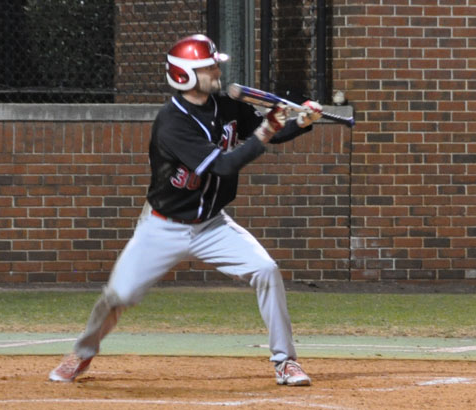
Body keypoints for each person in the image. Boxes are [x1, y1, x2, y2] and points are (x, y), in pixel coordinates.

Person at [48, 34, 322, 386]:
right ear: (185, 75)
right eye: (208, 66)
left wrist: (300, 122)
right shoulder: (172, 122)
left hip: (212, 225)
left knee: (266, 269)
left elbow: (269, 131)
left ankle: (285, 362)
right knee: (120, 295)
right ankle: (82, 353)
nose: (215, 69)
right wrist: (269, 129)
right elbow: (223, 165)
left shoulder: (226, 106)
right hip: (163, 226)